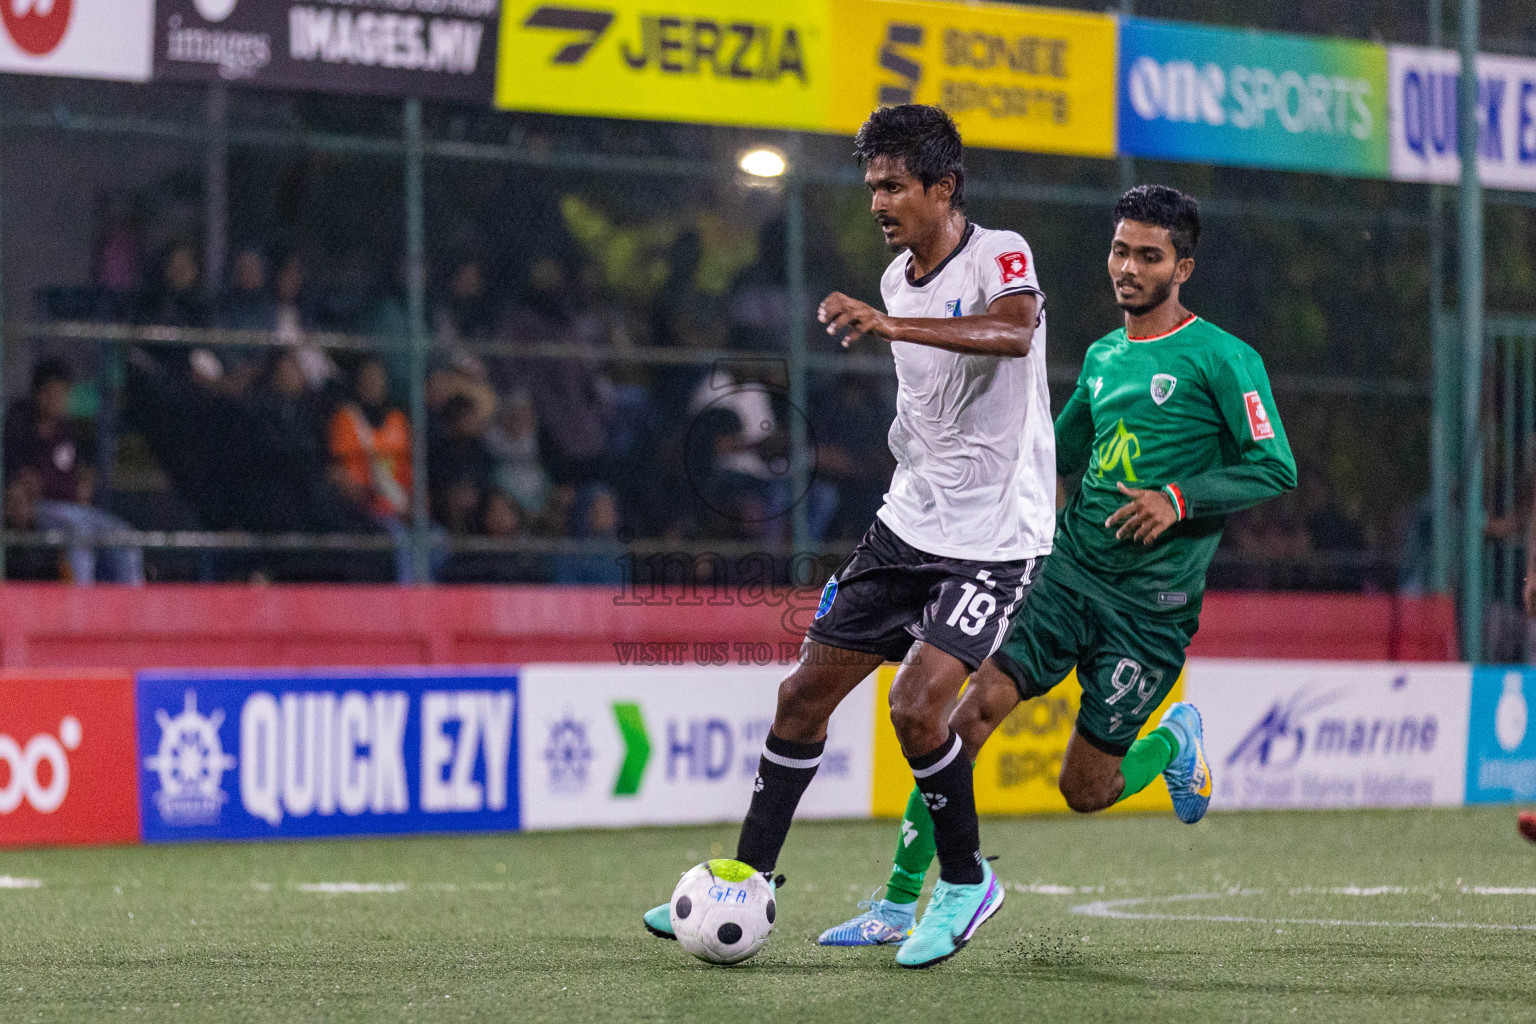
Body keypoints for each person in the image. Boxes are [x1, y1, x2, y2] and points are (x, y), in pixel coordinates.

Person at [815, 185, 1298, 959]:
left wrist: (1177, 498)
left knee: (1085, 791)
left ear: (1184, 267)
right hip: (1068, 576)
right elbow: (1053, 455)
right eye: (1120, 250)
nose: (1128, 268)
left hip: (1151, 608)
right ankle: (900, 900)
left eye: (1149, 255)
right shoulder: (1105, 358)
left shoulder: (1224, 358)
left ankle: (1174, 743)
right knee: (957, 719)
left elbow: (1274, 467)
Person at [641, 104, 1056, 968]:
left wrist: (889, 322)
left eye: (894, 184)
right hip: (908, 527)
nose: (878, 201)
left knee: (914, 706)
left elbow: (1015, 333)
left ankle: (965, 881)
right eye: (871, 185)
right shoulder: (899, 277)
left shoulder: (997, 254)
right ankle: (743, 882)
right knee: (800, 700)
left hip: (993, 540)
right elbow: (928, 413)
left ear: (944, 187)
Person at [3, 359, 145, 584]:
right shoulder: (20, 423)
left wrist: (83, 481)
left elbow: (72, 470)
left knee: (125, 536)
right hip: (43, 509)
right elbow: (22, 482)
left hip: (74, 508)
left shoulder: (64, 427)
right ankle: (81, 609)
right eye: (53, 393)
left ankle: (132, 612)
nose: (59, 400)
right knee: (78, 532)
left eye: (63, 393)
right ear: (39, 393)